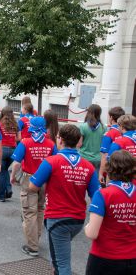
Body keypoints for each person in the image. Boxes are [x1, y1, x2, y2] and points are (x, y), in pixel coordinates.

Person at [29, 124, 99, 275]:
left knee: (62, 265)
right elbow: (96, 195)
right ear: (78, 142)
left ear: (60, 140)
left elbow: (33, 186)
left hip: (57, 218)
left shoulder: (51, 162)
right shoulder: (88, 166)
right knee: (57, 258)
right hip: (78, 220)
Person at [10, 116, 57, 256]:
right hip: (45, 180)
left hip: (29, 179)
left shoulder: (25, 142)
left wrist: (13, 176)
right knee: (40, 209)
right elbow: (55, 162)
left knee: (29, 212)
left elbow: (17, 163)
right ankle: (36, 238)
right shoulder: (51, 144)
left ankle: (32, 246)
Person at [84, 150, 136, 275]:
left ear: (110, 169)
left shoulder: (103, 194)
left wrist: (86, 227)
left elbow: (92, 233)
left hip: (105, 258)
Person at [98, 107, 125, 185]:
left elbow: (104, 156)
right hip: (126, 169)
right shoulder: (126, 132)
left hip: (113, 171)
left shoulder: (109, 134)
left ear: (111, 117)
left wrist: (100, 173)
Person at [0, 106, 18, 201]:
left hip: (3, 150)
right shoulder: (15, 124)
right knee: (4, 170)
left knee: (1, 171)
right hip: (13, 150)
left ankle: (1, 196)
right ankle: (8, 189)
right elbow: (18, 138)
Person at [79, 104, 106, 173]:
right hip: (98, 159)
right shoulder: (104, 128)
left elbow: (79, 144)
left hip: (84, 158)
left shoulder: (83, 127)